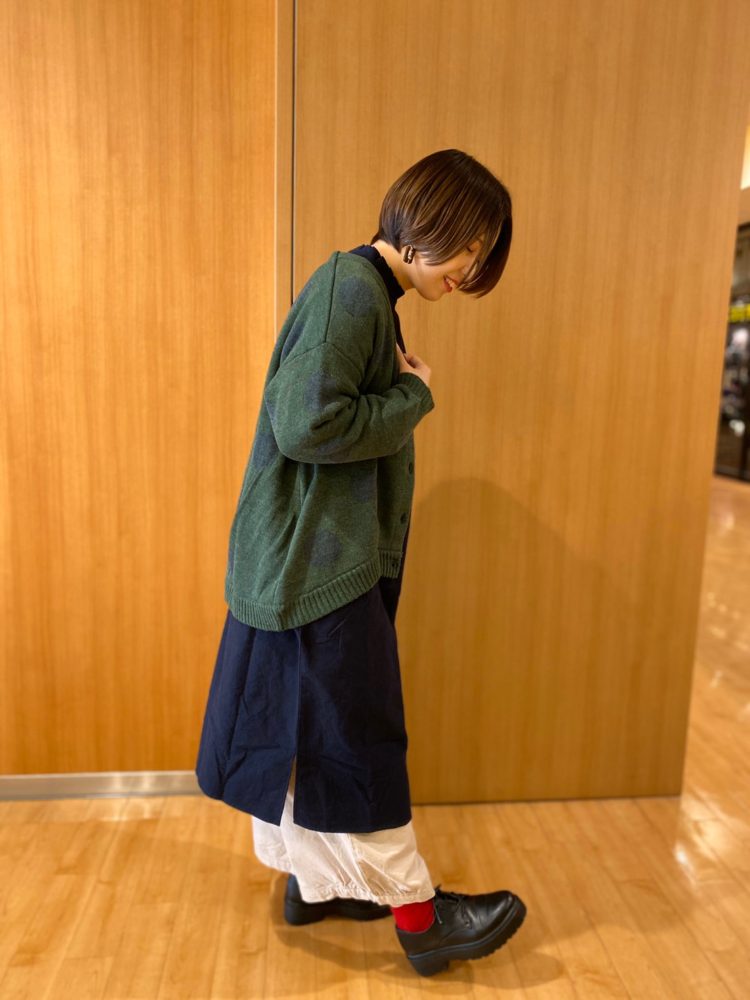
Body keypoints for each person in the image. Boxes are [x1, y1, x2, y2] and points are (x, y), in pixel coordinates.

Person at [195, 148, 526, 977]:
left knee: (309, 733)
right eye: (465, 243)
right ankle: (421, 920)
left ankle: (315, 885)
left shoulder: (367, 292)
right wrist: (413, 395)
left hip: (309, 563)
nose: (469, 266)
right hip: (317, 571)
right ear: (422, 220)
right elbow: (307, 424)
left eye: (482, 252)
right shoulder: (351, 288)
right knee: (356, 737)